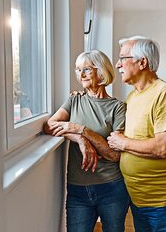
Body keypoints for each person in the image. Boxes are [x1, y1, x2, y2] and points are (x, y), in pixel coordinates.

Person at [107, 36, 166, 231]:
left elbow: (163, 148)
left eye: (122, 58)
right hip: (138, 197)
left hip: (163, 200)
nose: (118, 65)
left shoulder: (164, 92)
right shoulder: (132, 96)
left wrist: (123, 143)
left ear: (142, 62)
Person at [43, 50, 130, 232]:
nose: (80, 75)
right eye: (77, 70)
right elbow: (50, 125)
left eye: (86, 70)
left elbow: (114, 155)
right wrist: (80, 139)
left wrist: (83, 130)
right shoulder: (74, 100)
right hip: (77, 189)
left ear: (101, 71)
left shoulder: (118, 107)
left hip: (111, 187)